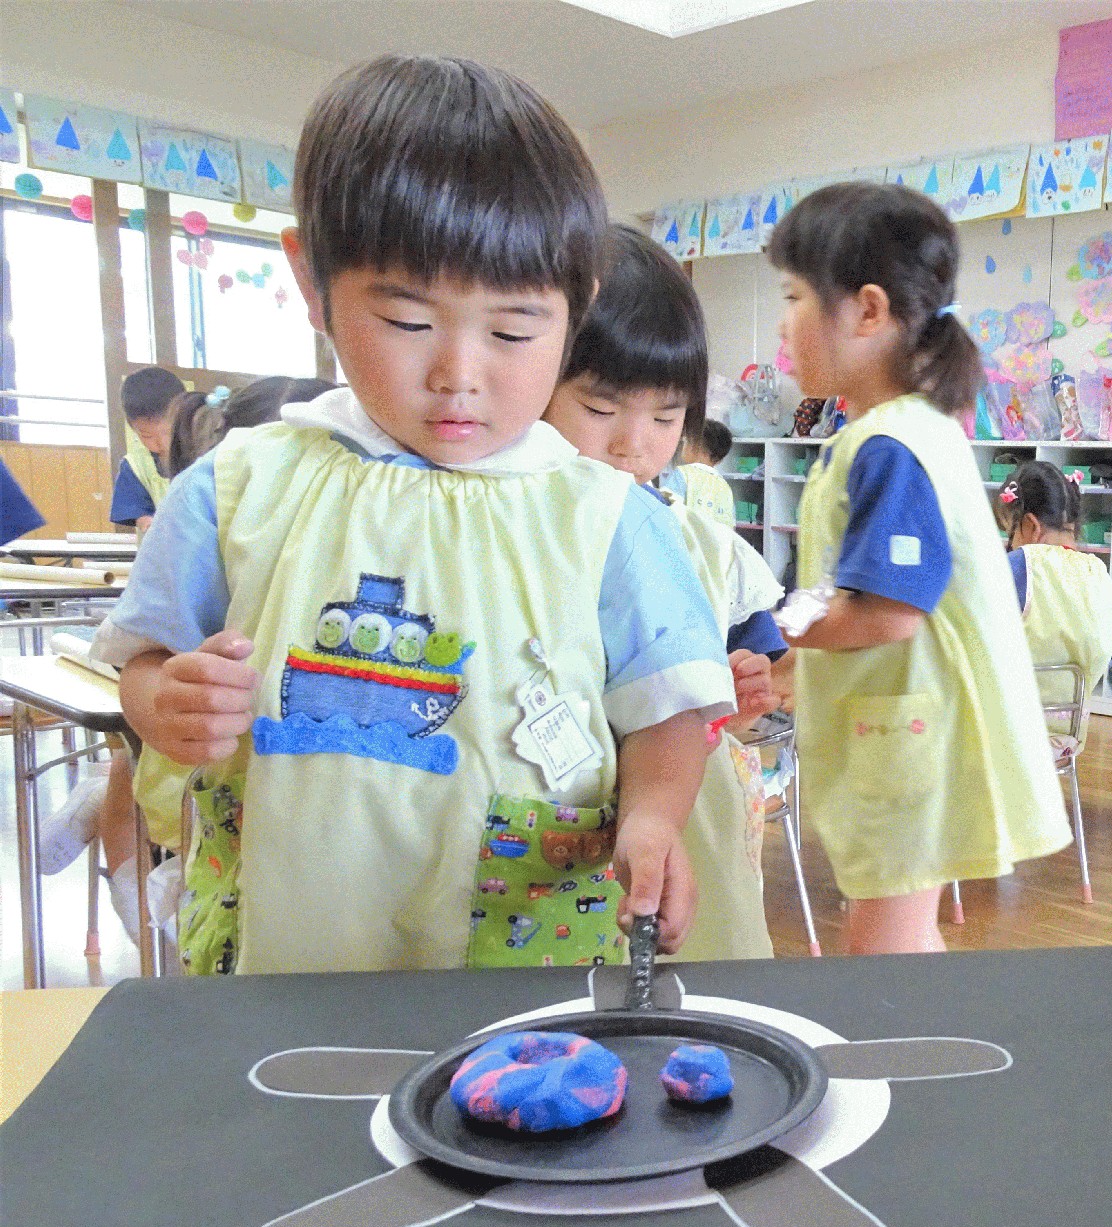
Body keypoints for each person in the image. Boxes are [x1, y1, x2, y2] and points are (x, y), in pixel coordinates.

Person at [91, 55, 731, 975]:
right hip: (290, 945)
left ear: (576, 308)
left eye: (513, 331)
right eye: (406, 320)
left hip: (523, 953)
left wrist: (654, 819)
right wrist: (168, 705)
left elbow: (666, 708)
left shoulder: (604, 516)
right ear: (312, 282)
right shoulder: (241, 486)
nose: (459, 372)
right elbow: (145, 662)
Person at [768, 181, 1069, 954]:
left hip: (911, 734)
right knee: (897, 935)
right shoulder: (894, 433)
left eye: (797, 296)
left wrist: (786, 626)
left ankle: (894, 1068)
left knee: (882, 948)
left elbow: (891, 610)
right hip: (903, 725)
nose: (785, 322)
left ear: (868, 311)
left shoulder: (892, 444)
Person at [543, 224, 786, 961]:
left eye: (666, 416)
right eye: (601, 407)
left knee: (693, 966)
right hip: (562, 824)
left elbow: (753, 667)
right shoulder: (537, 527)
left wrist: (743, 696)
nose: (634, 442)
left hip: (690, 809)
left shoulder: (700, 540)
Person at [41, 377, 336, 945]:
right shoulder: (214, 494)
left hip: (281, 817)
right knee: (139, 752)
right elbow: (145, 663)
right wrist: (155, 698)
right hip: (203, 792)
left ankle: (101, 795)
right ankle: (136, 908)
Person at [1000, 460, 1112, 722]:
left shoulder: (1021, 566)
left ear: (1031, 526)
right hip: (1068, 734)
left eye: (1009, 532)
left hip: (1009, 732)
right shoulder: (1098, 573)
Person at [110, 366, 186, 532]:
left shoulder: (202, 452)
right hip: (159, 552)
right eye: (147, 436)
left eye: (169, 432)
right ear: (133, 428)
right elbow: (137, 510)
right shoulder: (135, 466)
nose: (162, 443)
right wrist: (147, 523)